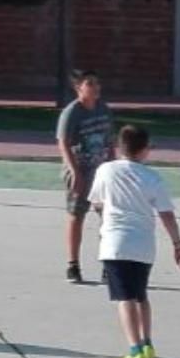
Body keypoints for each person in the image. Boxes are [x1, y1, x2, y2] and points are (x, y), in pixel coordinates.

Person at [88, 123, 180, 358]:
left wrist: (108, 213)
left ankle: (134, 350)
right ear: (145, 150)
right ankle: (147, 343)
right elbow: (167, 214)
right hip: (143, 245)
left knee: (124, 298)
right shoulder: (153, 177)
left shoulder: (105, 170)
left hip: (115, 243)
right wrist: (178, 244)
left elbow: (96, 202)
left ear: (118, 147)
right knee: (141, 295)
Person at [56, 69, 115, 284]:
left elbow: (110, 142)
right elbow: (63, 143)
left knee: (108, 219)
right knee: (76, 216)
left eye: (97, 83)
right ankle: (73, 265)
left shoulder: (103, 109)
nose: (96, 88)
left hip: (100, 174)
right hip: (81, 172)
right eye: (90, 84)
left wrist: (112, 167)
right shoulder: (72, 112)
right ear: (79, 88)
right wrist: (74, 171)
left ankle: (108, 266)